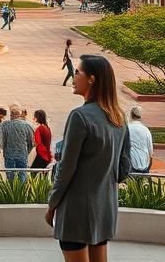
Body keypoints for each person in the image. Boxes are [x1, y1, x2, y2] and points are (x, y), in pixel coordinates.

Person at [46, 54, 131, 261]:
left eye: (77, 72)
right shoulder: (118, 116)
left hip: (76, 209)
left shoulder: (80, 116)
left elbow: (66, 169)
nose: (73, 77)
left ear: (91, 79)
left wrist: (52, 206)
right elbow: (123, 169)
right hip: (104, 208)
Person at [0, 106, 35, 182]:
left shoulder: (5, 125)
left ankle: (11, 191)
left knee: (10, 177)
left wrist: (5, 151)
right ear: (20, 115)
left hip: (9, 156)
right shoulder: (27, 125)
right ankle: (21, 192)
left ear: (11, 116)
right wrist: (26, 152)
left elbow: (2, 142)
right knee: (22, 175)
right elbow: (31, 143)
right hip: (22, 155)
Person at [127, 106, 154, 174]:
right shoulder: (146, 130)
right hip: (145, 164)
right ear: (141, 116)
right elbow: (151, 151)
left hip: (131, 163)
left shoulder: (127, 129)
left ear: (131, 115)